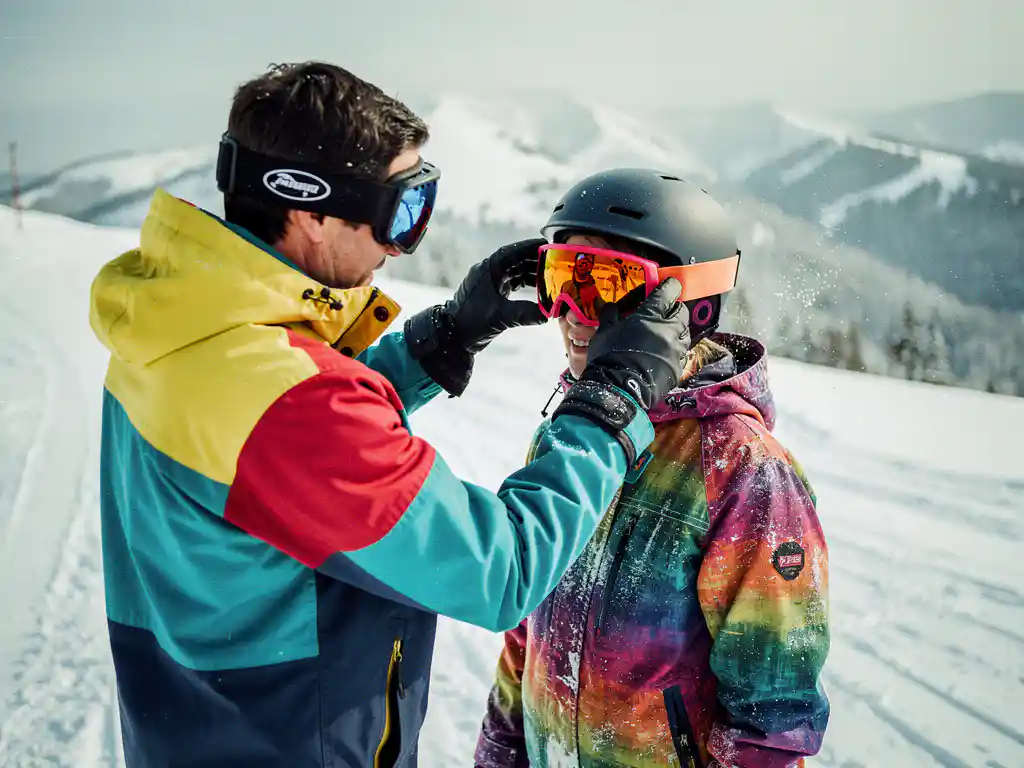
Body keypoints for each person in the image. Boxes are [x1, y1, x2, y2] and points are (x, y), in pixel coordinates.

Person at [87, 64, 695, 767]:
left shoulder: (174, 331)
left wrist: (440, 341)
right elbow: (499, 570)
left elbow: (273, 448)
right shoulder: (291, 408)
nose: (399, 244)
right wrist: (611, 402)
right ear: (309, 209)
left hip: (189, 734)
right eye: (399, 211)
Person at [475, 169, 830, 768]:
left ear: (691, 307)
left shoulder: (743, 472)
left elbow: (772, 723)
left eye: (607, 286)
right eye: (560, 281)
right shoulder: (569, 435)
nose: (571, 314)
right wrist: (499, 752)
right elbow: (523, 638)